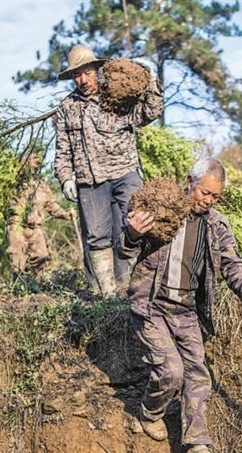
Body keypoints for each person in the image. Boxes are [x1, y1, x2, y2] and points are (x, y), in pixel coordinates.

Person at [118, 159, 242, 453]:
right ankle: (149, 412)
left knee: (198, 374)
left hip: (186, 309)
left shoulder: (217, 225)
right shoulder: (162, 207)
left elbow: (232, 264)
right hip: (151, 304)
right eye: (205, 192)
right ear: (190, 181)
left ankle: (198, 444)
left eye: (215, 196)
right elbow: (125, 250)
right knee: (171, 371)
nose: (208, 200)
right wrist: (132, 233)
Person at [53, 44, 164, 298]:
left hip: (124, 173)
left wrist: (151, 81)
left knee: (137, 224)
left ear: (96, 70)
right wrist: (65, 178)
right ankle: (107, 295)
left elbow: (150, 111)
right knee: (97, 237)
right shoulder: (66, 108)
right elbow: (62, 150)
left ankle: (138, 287)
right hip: (89, 182)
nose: (83, 79)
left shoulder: (116, 96)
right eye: (77, 75)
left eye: (87, 72)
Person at [7, 153, 71, 276]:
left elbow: (51, 205)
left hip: (35, 228)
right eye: (33, 159)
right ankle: (20, 289)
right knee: (18, 263)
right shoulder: (14, 182)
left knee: (42, 255)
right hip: (18, 226)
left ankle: (36, 286)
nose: (36, 162)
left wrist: (65, 214)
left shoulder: (41, 184)